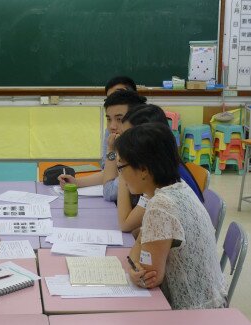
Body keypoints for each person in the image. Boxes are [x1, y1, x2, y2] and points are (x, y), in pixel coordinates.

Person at [114, 123, 227, 309]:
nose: (120, 175)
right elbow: (142, 241)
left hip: (193, 311)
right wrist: (135, 261)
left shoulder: (161, 206)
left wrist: (134, 265)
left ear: (143, 169)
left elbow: (148, 277)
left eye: (121, 167)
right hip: (213, 301)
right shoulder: (178, 186)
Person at [117, 104, 204, 235]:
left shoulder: (165, 181)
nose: (122, 142)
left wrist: (123, 168)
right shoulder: (164, 167)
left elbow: (125, 224)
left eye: (128, 136)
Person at [58, 90, 146, 202]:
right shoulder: (115, 135)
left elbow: (109, 192)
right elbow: (109, 172)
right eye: (109, 119)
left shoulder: (140, 151)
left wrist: (111, 150)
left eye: (119, 119)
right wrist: (77, 183)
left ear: (136, 119)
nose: (112, 126)